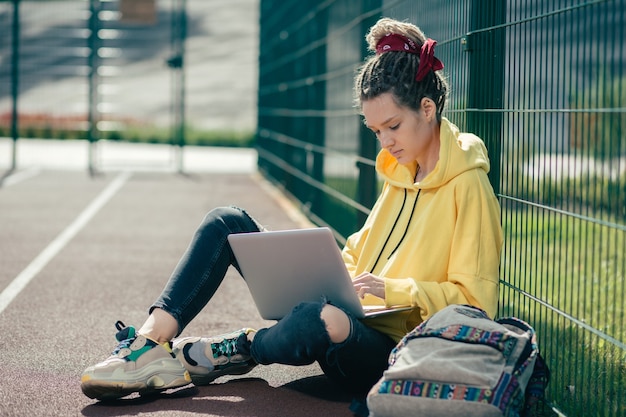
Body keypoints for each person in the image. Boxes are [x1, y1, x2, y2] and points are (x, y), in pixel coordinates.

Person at [80, 17, 503, 402]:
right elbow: (362, 253)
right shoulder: (400, 172)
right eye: (375, 130)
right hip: (350, 311)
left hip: (394, 355)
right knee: (227, 223)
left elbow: (474, 304)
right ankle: (148, 347)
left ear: (427, 109)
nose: (385, 142)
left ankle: (238, 348)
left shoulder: (469, 186)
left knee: (322, 319)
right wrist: (332, 270)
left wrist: (393, 290)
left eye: (392, 126)